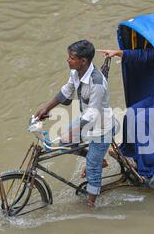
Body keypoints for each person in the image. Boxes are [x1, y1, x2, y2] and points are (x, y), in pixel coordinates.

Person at [34, 40, 114, 207]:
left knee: (91, 168)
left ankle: (91, 204)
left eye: (71, 58)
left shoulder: (97, 82)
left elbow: (93, 112)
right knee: (65, 141)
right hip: (86, 121)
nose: (68, 60)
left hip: (101, 128)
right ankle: (99, 160)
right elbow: (66, 90)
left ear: (83, 61)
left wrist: (77, 128)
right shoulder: (75, 73)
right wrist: (46, 108)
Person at [97, 48, 154, 178]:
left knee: (142, 119)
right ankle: (131, 153)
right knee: (131, 113)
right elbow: (145, 55)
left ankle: (147, 165)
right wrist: (116, 53)